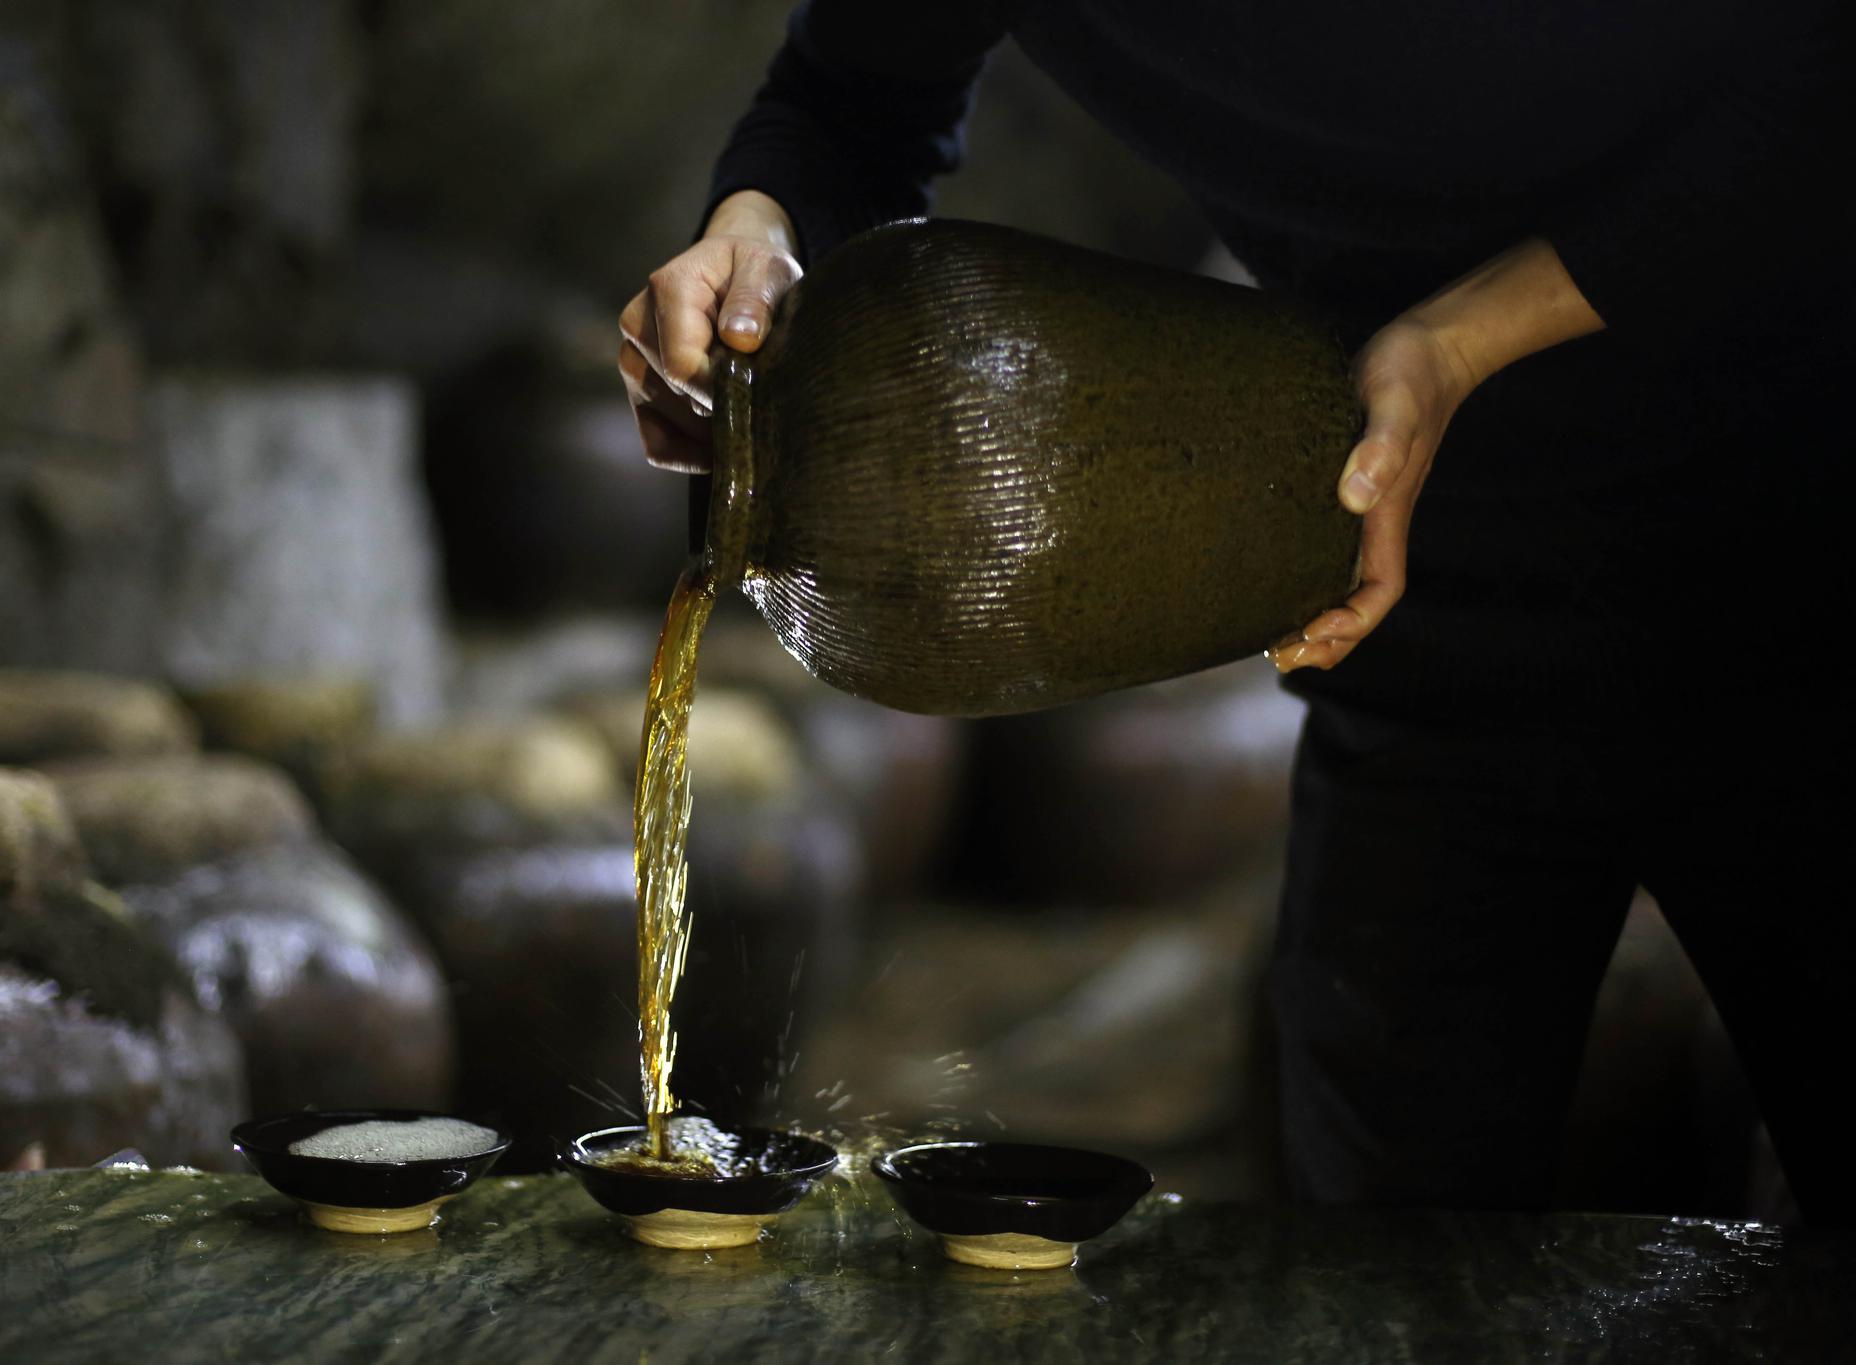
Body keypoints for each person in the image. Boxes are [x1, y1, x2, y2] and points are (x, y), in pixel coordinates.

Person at [617, 1, 1852, 1224]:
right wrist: (756, 222)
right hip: (1408, 590)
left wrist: (1464, 337)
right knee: (1376, 1260)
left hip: (1790, 544)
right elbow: (847, 104)